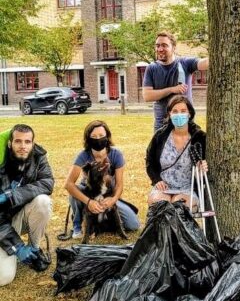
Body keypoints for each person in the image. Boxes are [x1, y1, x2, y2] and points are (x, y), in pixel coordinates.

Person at [64, 120, 140, 239]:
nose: (98, 139)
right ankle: (77, 225)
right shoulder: (83, 155)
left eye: (101, 136)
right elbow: (68, 184)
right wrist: (89, 202)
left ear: (107, 137)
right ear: (88, 139)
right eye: (93, 136)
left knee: (133, 224)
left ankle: (99, 224)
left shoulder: (116, 155)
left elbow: (119, 185)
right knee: (75, 191)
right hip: (90, 194)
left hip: (108, 195)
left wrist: (113, 199)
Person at [0, 124, 53, 287]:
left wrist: (12, 196)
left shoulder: (38, 157)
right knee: (4, 278)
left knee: (43, 201)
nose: (23, 146)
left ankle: (34, 249)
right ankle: (20, 251)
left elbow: (47, 182)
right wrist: (17, 247)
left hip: (20, 215)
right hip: (2, 224)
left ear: (33, 143)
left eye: (27, 142)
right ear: (10, 143)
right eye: (18, 141)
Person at [146, 95, 207, 208]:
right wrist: (156, 180)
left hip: (187, 188)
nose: (179, 115)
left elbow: (203, 166)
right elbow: (150, 161)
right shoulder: (160, 135)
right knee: (159, 206)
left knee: (179, 208)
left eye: (183, 111)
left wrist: (201, 168)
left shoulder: (199, 137)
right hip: (164, 187)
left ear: (189, 114)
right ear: (169, 114)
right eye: (175, 111)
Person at [143, 31, 209, 130]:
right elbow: (147, 96)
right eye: (157, 46)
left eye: (164, 45)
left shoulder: (185, 63)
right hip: (162, 125)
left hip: (185, 123)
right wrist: (172, 89)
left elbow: (204, 63)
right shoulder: (151, 68)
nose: (160, 49)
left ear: (173, 47)